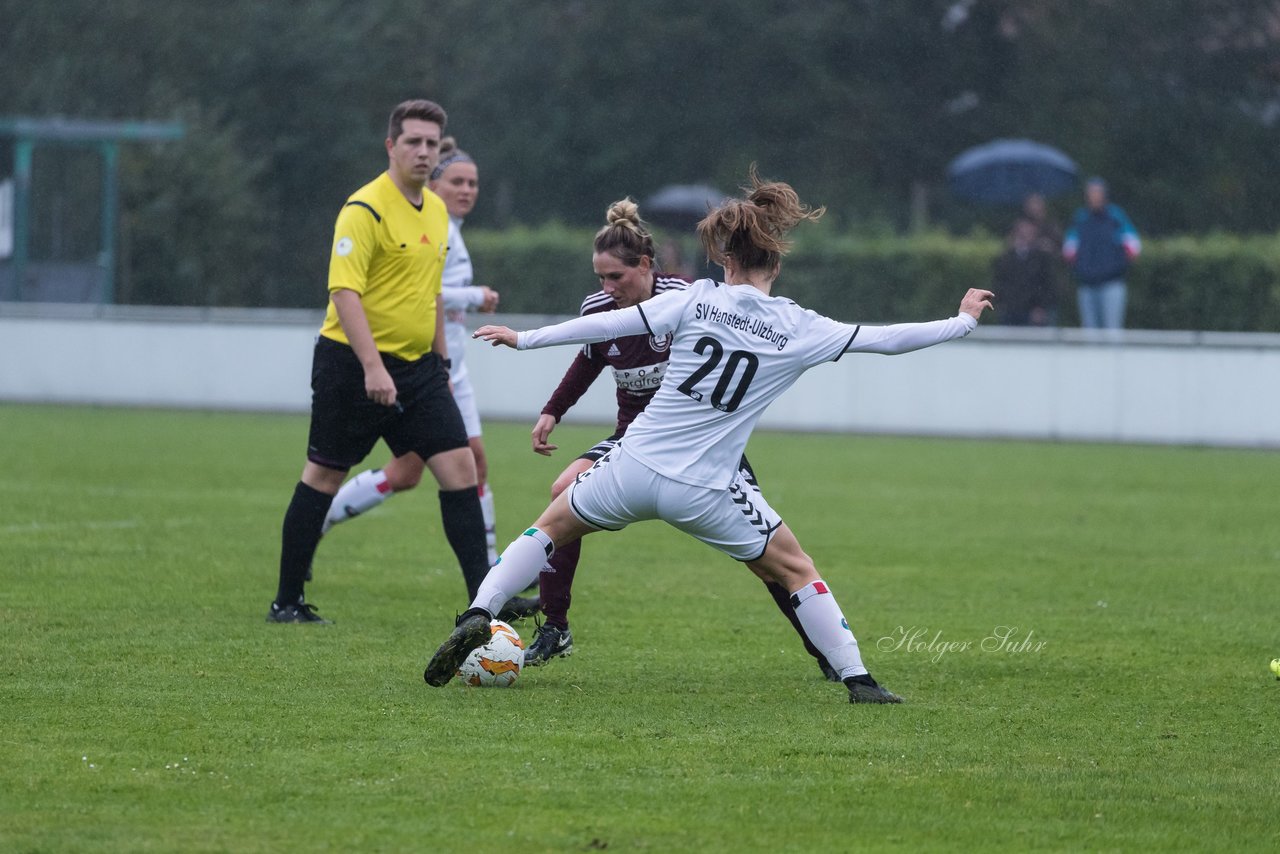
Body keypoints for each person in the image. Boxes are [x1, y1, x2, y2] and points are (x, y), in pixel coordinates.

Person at [423, 169, 994, 704]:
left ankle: (480, 610)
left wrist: (526, 340)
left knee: (549, 526)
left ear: (725, 258)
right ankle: (858, 678)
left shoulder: (696, 298)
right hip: (707, 488)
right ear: (774, 261)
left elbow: (606, 324)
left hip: (632, 465)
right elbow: (887, 339)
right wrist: (961, 321)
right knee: (795, 569)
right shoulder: (800, 327)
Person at [523, 198, 840, 681]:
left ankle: (824, 651)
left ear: (646, 266)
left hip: (706, 449)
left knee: (769, 564)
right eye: (600, 278)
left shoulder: (689, 299)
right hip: (634, 441)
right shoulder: (599, 310)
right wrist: (552, 410)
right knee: (561, 493)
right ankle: (555, 627)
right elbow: (590, 358)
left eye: (616, 278)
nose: (606, 289)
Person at [267, 99, 530, 624]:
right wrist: (372, 367)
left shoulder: (435, 211)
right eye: (413, 141)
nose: (424, 151)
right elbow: (344, 293)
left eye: (432, 143)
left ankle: (484, 602)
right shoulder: (363, 209)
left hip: (419, 369)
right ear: (391, 146)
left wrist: (440, 362)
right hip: (352, 366)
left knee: (460, 468)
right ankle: (288, 600)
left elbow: (430, 293)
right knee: (323, 474)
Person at [318, 137, 508, 568]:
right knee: (433, 466)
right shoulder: (427, 226)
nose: (467, 191)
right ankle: (318, 516)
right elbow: (424, 291)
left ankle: (493, 569)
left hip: (447, 367)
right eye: (457, 181)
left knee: (420, 470)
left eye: (473, 183)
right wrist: (475, 295)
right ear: (434, 186)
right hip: (421, 368)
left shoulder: (449, 230)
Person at [1062, 178, 1141, 330]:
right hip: (1087, 284)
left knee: (1112, 330)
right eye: (1091, 193)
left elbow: (1133, 244)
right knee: (1090, 332)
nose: (1094, 196)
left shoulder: (1115, 216)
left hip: (1112, 283)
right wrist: (1081, 268)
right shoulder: (1081, 218)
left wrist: (1118, 265)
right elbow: (1069, 248)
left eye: (1097, 192)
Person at [992, 218, 1058, 327]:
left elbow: (1048, 284)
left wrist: (1040, 307)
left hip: (1033, 313)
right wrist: (1001, 305)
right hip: (1010, 312)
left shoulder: (1042, 258)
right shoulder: (1006, 258)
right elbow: (1000, 283)